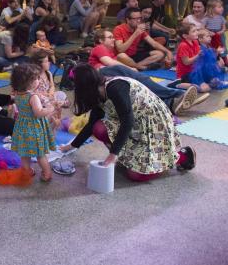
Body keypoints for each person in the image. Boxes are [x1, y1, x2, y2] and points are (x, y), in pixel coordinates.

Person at [60, 64, 196, 182]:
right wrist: (72, 146)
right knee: (99, 128)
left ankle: (183, 156)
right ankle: (130, 158)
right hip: (134, 124)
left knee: (135, 176)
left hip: (153, 124)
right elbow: (92, 123)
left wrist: (113, 154)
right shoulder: (97, 92)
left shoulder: (115, 87)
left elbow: (127, 121)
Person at [90, 29, 200, 115]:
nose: (113, 39)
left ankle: (171, 103)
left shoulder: (109, 52)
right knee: (141, 79)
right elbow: (109, 63)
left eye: (113, 37)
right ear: (100, 40)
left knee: (141, 86)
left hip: (109, 77)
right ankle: (179, 94)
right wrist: (128, 69)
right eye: (110, 37)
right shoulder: (99, 47)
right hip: (101, 74)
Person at [10, 63, 55, 182]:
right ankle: (47, 173)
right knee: (40, 154)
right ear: (28, 82)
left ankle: (27, 171)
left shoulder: (17, 94)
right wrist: (50, 109)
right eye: (36, 79)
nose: (39, 80)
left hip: (22, 127)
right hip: (34, 128)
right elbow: (38, 113)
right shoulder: (33, 97)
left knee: (25, 153)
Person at [176, 23, 211, 93]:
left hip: (195, 70)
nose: (197, 33)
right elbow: (186, 62)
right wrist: (198, 55)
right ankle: (179, 84)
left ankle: (194, 85)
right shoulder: (183, 45)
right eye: (194, 31)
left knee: (212, 82)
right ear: (185, 36)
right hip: (186, 74)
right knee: (205, 88)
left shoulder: (195, 42)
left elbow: (199, 57)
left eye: (197, 30)